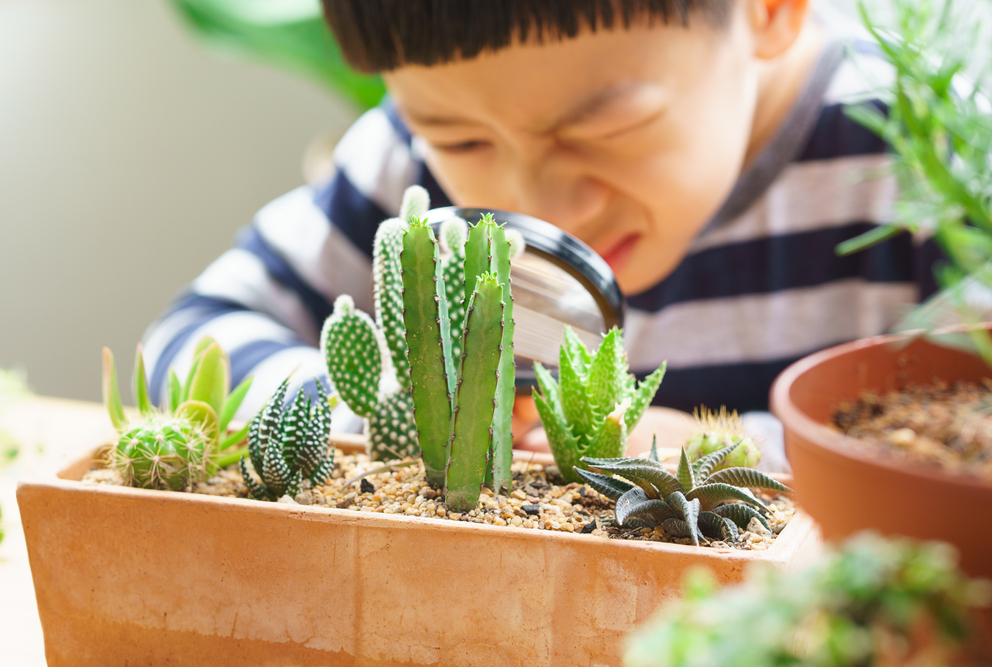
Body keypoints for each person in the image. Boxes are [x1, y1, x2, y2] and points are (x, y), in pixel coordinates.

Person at [142, 0, 939, 456]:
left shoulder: (927, 157)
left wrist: (710, 450)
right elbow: (193, 336)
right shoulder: (408, 160)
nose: (539, 199)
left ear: (766, 13)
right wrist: (389, 408)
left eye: (604, 126)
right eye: (464, 141)